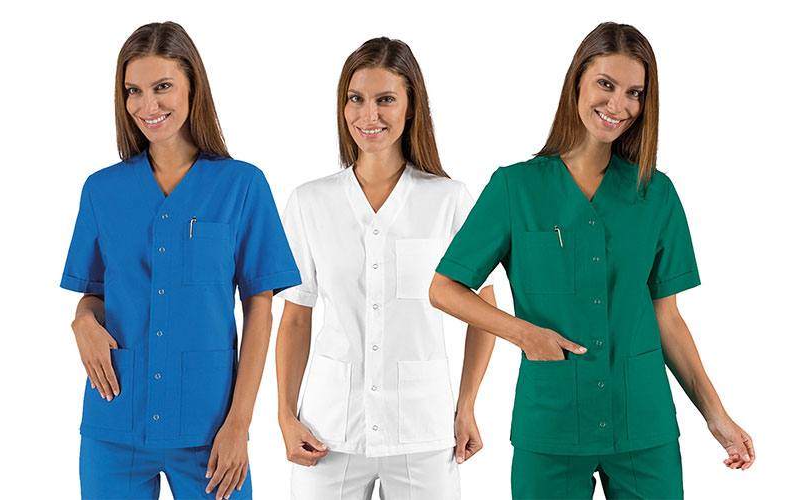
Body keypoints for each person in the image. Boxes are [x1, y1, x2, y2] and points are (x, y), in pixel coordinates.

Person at [429, 22, 755, 500]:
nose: (618, 105)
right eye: (606, 84)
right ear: (577, 81)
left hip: (643, 423)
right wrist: (524, 334)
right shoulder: (515, 188)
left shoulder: (655, 193)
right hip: (551, 423)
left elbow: (667, 319)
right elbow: (444, 288)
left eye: (634, 93)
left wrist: (716, 416)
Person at [60, 21, 300, 500]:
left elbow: (259, 310)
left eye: (163, 87)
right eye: (134, 91)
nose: (147, 105)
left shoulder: (242, 185)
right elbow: (96, 294)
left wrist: (238, 424)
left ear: (193, 86)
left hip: (210, 428)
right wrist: (82, 320)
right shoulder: (102, 190)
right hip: (116, 421)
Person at [275, 37, 496, 500]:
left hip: (423, 429)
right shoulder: (310, 202)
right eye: (356, 99)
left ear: (411, 107)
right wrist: (285, 415)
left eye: (385, 100)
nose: (368, 115)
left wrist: (467, 405)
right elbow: (296, 316)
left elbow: (484, 314)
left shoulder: (448, 200)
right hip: (328, 430)